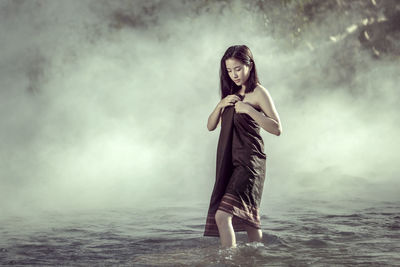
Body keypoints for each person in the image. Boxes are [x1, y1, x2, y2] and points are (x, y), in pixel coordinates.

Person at [203, 45, 282, 249]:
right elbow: (211, 126)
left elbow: (277, 128)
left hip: (250, 163)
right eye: (229, 71)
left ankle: (229, 260)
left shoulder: (259, 92)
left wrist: (249, 110)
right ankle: (256, 257)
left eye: (238, 69)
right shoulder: (231, 93)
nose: (233, 75)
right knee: (249, 221)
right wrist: (220, 105)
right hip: (231, 161)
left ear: (250, 65)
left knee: (222, 216)